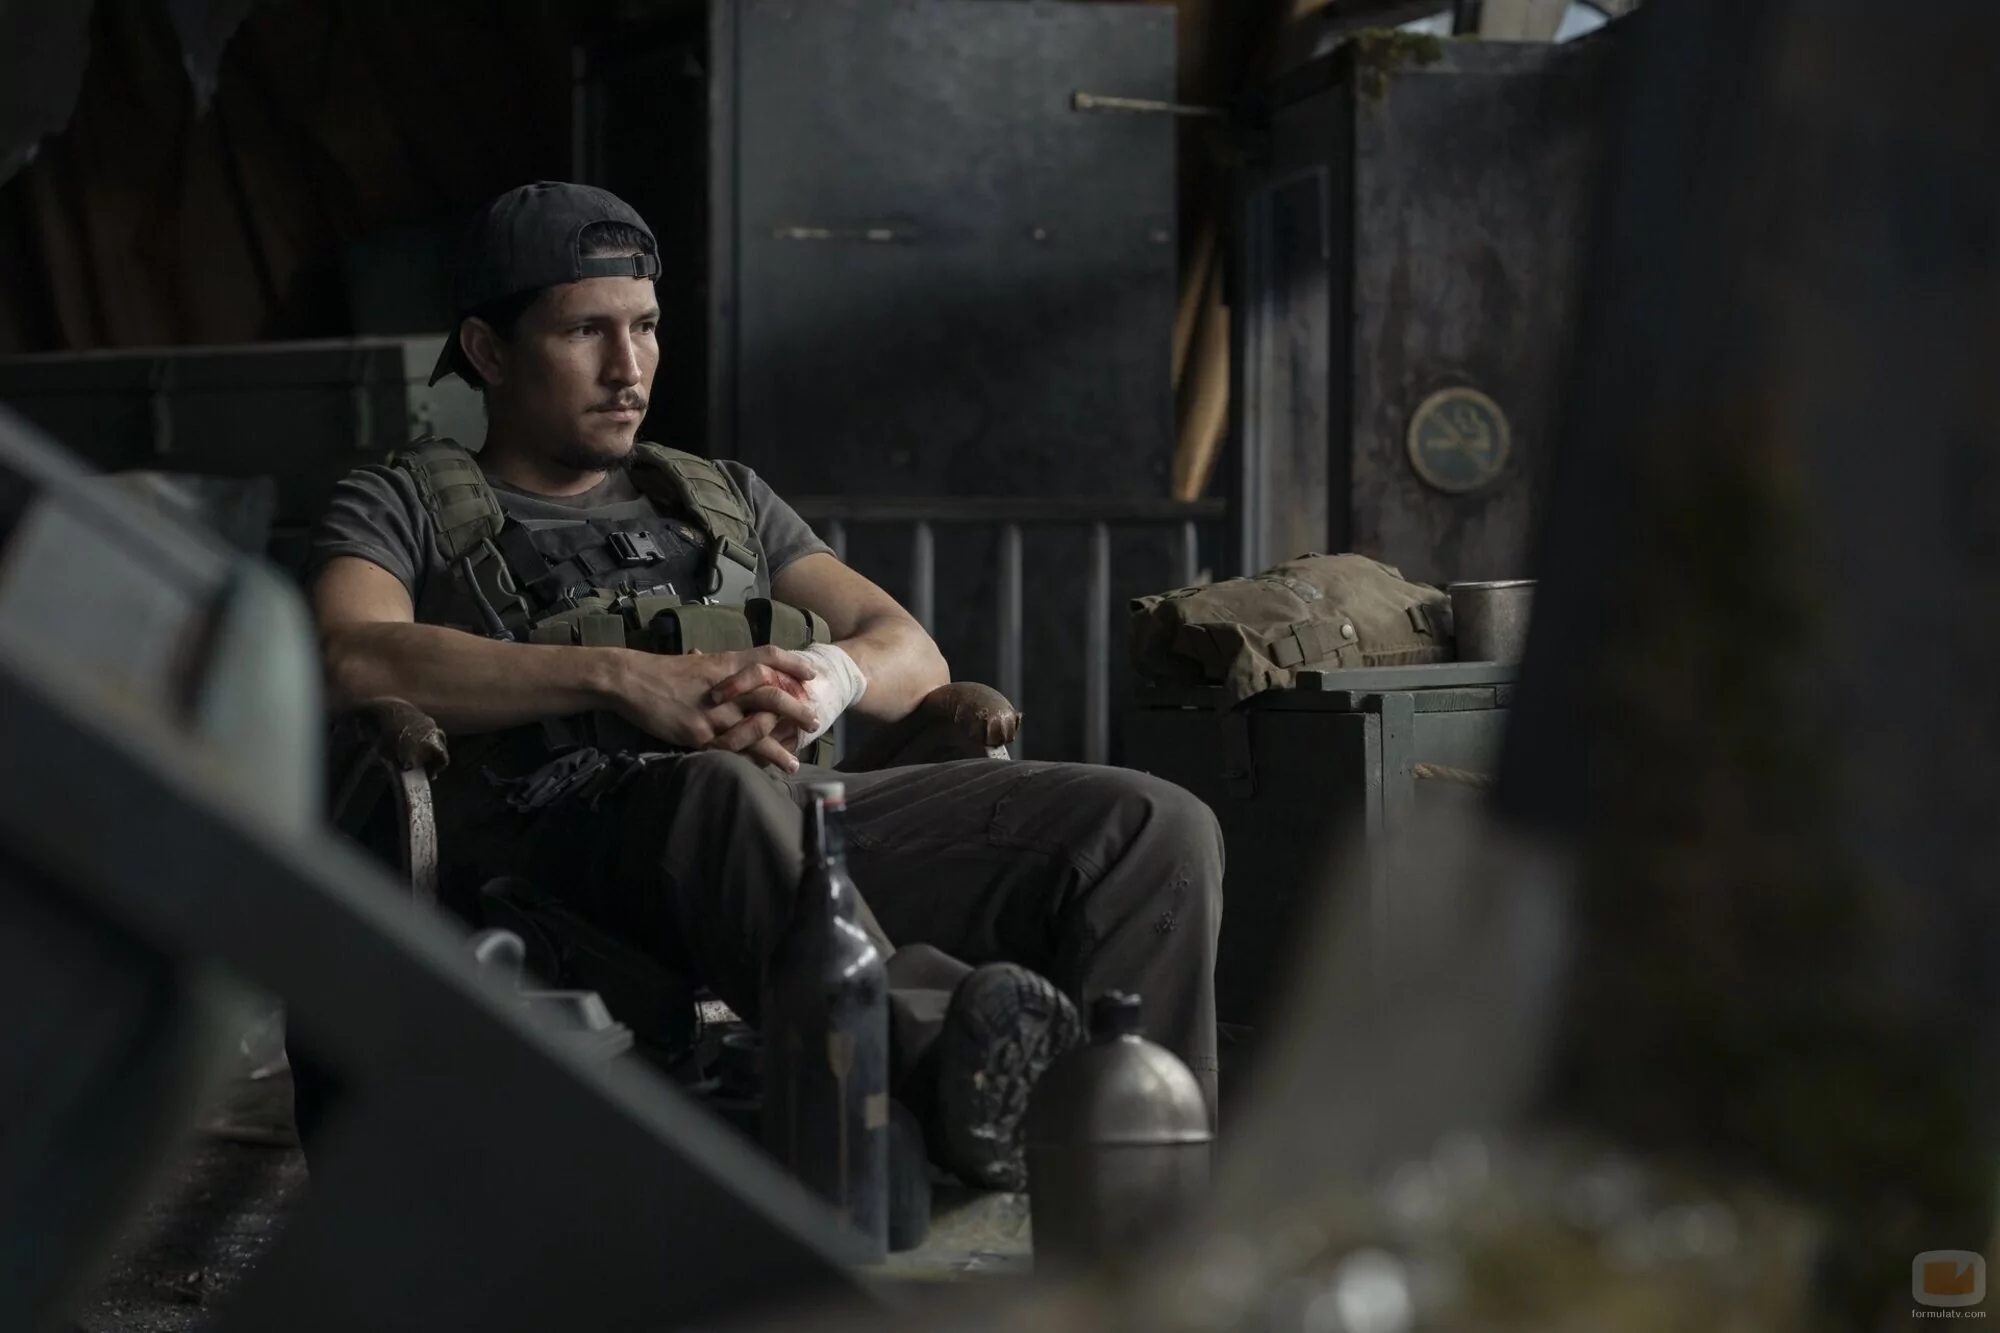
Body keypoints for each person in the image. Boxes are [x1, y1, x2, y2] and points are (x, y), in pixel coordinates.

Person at [306, 182, 1221, 1190]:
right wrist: (625, 678)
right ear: (487, 351)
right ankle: (963, 1076)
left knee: (1147, 827)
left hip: (785, 825)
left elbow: (912, 654)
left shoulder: (721, 497)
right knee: (717, 790)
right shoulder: (402, 503)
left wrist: (823, 679)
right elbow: (354, 656)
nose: (628, 368)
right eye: (584, 330)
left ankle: (1145, 1187)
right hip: (569, 855)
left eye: (646, 326)